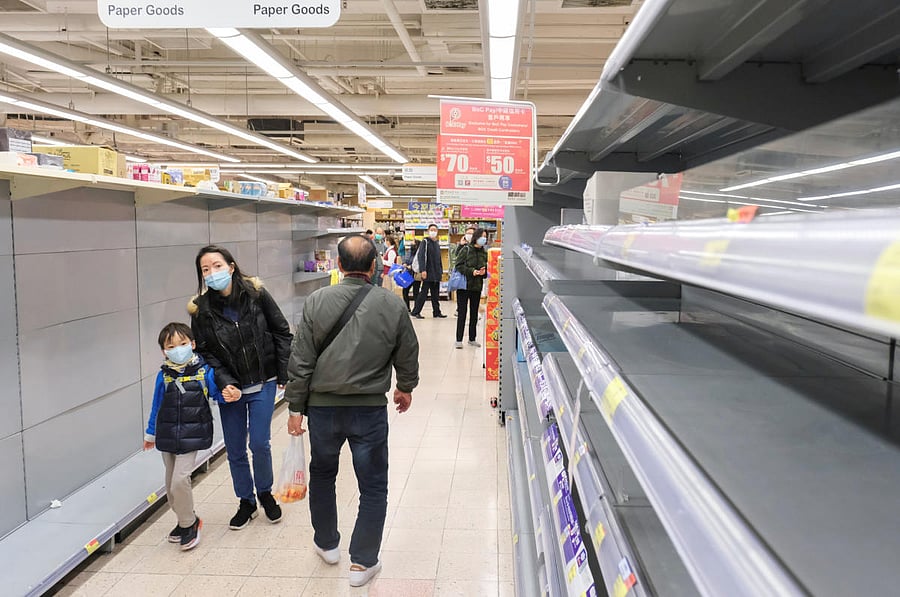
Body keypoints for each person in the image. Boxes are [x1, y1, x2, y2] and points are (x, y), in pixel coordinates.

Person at [284, 235, 419, 588]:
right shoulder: (391, 305)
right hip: (369, 411)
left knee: (324, 474)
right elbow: (407, 351)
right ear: (374, 266)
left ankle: (327, 544)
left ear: (339, 265)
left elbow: (300, 360)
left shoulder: (316, 301)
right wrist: (405, 387)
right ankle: (362, 562)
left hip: (323, 410)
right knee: (373, 486)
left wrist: (295, 408)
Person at [188, 245, 293, 530]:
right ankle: (246, 501)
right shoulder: (201, 311)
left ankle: (265, 494)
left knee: (259, 443)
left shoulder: (256, 295)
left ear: (231, 267)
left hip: (263, 382)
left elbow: (282, 331)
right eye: (205, 270)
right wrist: (225, 382)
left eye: (217, 266)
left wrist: (283, 371)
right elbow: (205, 353)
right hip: (230, 390)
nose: (212, 273)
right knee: (235, 449)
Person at [144, 322, 223, 551]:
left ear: (192, 344)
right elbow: (156, 405)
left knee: (180, 480)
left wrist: (228, 393)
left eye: (183, 343)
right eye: (171, 346)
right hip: (167, 434)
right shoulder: (164, 376)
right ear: (164, 351)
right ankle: (184, 520)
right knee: (170, 486)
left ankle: (190, 524)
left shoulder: (203, 372)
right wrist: (151, 433)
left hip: (193, 433)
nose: (178, 349)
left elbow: (217, 395)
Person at [454, 228, 489, 349]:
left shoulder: (485, 253)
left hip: (477, 286)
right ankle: (458, 339)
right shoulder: (466, 249)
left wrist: (483, 272)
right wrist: (471, 271)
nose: (484, 239)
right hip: (464, 286)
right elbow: (458, 266)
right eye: (482, 236)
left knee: (474, 313)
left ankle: (472, 338)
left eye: (485, 237)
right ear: (476, 237)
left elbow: (486, 271)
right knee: (462, 313)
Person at [410, 224, 447, 319]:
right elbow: (421, 256)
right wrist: (423, 270)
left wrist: (440, 271)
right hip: (427, 272)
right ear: (428, 231)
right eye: (432, 230)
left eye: (435, 230)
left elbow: (439, 259)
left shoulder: (437, 243)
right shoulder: (425, 242)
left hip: (436, 273)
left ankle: (437, 312)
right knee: (424, 293)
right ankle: (416, 311)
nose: (433, 231)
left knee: (435, 294)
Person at [401, 239, 422, 312]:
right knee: (405, 291)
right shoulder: (409, 251)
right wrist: (404, 263)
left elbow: (419, 264)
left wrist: (412, 267)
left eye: (413, 244)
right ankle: (407, 307)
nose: (411, 245)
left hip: (416, 275)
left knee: (416, 292)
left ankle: (416, 310)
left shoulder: (419, 254)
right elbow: (405, 259)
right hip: (408, 274)